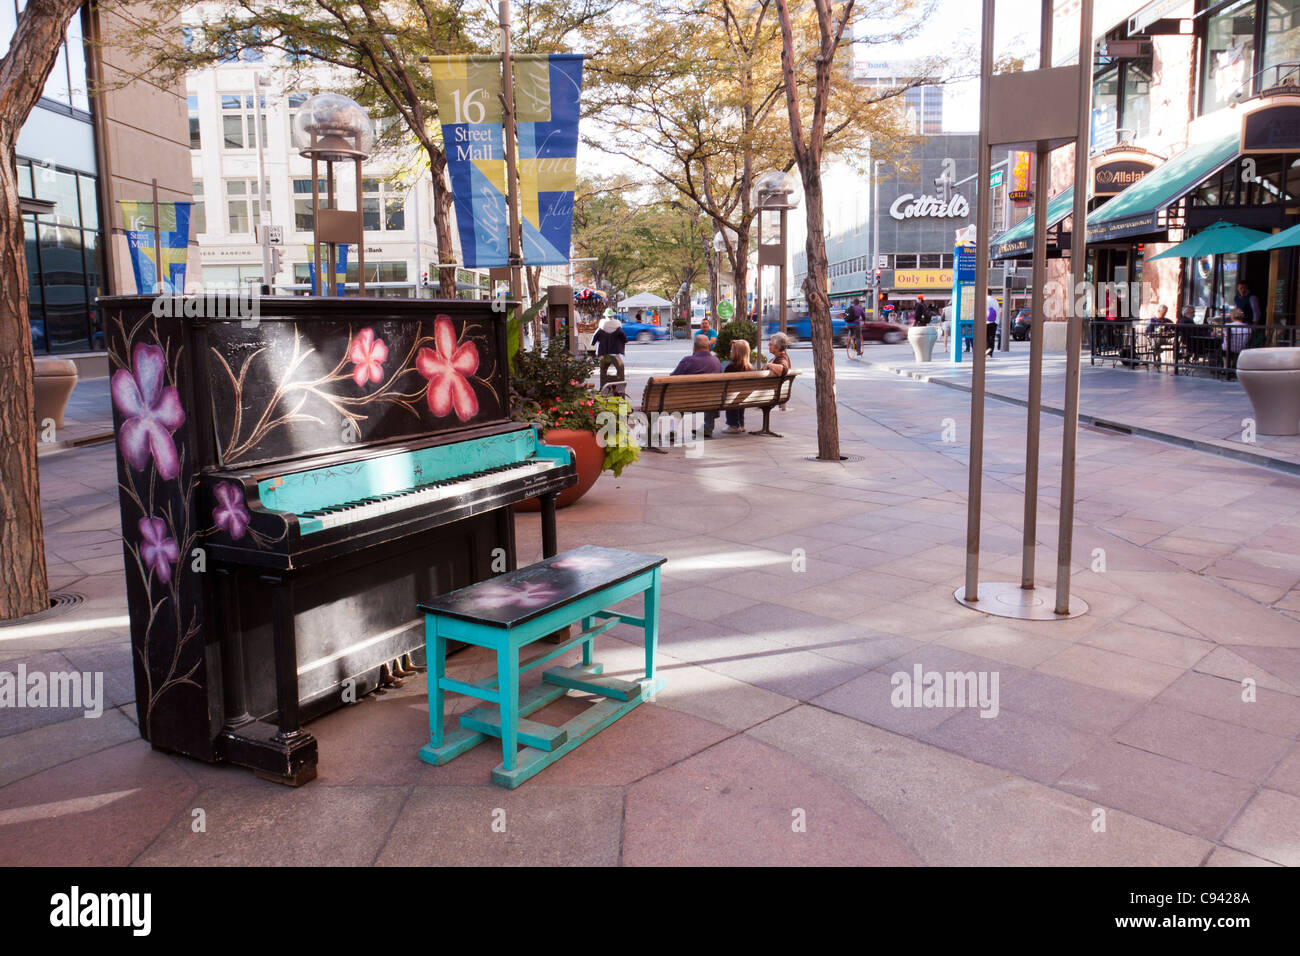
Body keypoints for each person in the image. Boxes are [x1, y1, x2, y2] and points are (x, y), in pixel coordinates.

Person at [671, 333, 723, 437]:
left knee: (679, 395)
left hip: (689, 401)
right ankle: (708, 427)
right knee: (711, 393)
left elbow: (672, 378)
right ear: (708, 346)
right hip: (713, 401)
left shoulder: (688, 360)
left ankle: (673, 430)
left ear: (694, 346)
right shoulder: (716, 361)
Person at [722, 338, 754, 433]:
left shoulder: (730, 367)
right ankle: (741, 424)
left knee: (731, 396)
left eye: (732, 349)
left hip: (732, 397)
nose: (730, 351)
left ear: (736, 353)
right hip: (745, 397)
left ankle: (733, 425)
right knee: (740, 396)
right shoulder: (750, 368)